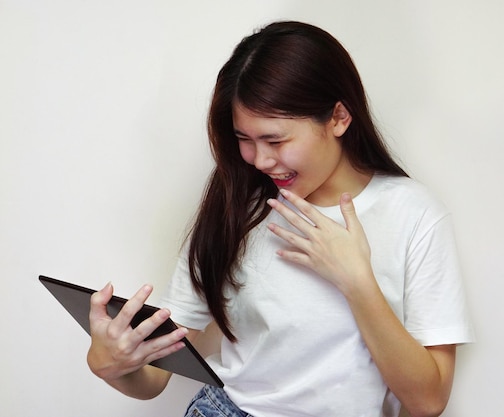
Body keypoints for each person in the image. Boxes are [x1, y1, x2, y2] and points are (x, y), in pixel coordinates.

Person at [87, 21, 473, 417]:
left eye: (275, 140)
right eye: (244, 139)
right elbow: (155, 376)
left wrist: (357, 282)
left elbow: (427, 401)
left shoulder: (414, 214)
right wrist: (113, 365)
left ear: (339, 118)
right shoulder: (237, 204)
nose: (261, 160)